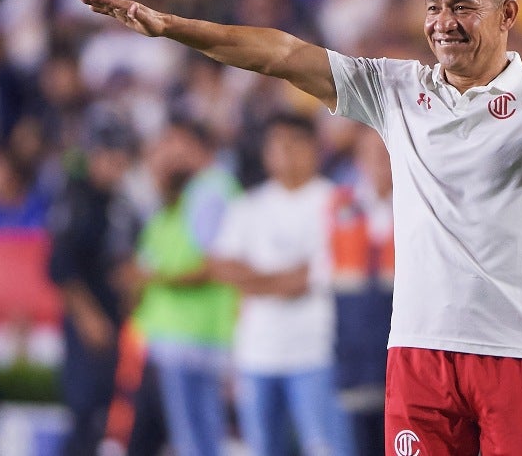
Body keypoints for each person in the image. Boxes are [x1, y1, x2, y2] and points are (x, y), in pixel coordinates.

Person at [81, 0, 522, 455]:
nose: (443, 22)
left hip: (516, 352)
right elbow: (281, 54)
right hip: (418, 354)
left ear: (507, 13)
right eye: (434, 7)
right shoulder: (396, 89)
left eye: (463, 7)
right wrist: (171, 27)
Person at [208, 113, 342, 456]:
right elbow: (221, 267)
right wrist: (282, 278)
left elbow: (307, 280)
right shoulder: (248, 205)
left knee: (324, 447)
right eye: (276, 145)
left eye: (293, 144)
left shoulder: (335, 203)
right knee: (263, 448)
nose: (284, 153)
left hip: (315, 351)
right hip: (257, 352)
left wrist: (253, 277)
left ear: (313, 148)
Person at [127, 118, 242, 456]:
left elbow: (213, 263)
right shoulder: (185, 194)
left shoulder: (210, 190)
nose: (163, 153)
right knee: (193, 435)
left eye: (171, 143)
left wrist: (154, 279)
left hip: (193, 335)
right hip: (179, 335)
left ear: (192, 145)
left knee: (196, 438)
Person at [47, 115, 140, 456]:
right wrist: (87, 317)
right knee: (85, 411)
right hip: (88, 319)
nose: (117, 166)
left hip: (117, 316)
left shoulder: (121, 201)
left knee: (107, 412)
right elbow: (61, 265)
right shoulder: (76, 196)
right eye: (110, 157)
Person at [329, 126, 394, 456]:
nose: (381, 162)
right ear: (359, 160)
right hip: (354, 353)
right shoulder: (337, 208)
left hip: (404, 355)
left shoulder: (421, 206)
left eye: (386, 153)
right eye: (372, 154)